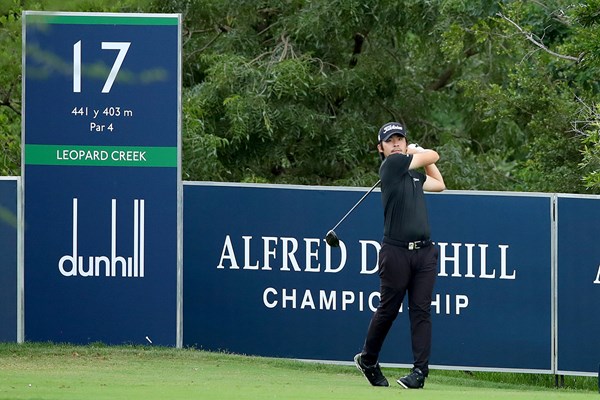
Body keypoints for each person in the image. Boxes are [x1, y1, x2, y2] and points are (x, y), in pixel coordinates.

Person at [354, 121, 446, 389]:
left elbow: (439, 184)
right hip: (395, 252)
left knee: (421, 311)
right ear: (380, 148)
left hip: (424, 253)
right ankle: (368, 360)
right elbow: (434, 154)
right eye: (390, 141)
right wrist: (419, 151)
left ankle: (419, 372)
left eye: (400, 139)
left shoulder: (413, 174)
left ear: (405, 142)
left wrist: (419, 155)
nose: (396, 143)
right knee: (389, 310)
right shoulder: (391, 166)